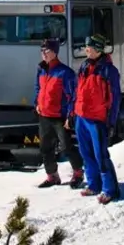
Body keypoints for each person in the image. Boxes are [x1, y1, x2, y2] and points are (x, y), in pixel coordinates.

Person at [73, 34, 124, 204]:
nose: (85, 49)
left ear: (97, 49)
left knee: (100, 154)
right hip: (82, 117)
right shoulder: (84, 66)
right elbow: (78, 92)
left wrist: (111, 122)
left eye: (89, 47)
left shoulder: (109, 71)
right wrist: (73, 113)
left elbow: (115, 98)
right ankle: (94, 184)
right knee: (86, 153)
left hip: (98, 120)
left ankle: (110, 189)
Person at [34, 39, 83, 188]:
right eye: (42, 50)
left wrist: (70, 115)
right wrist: (36, 103)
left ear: (55, 52)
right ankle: (52, 176)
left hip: (59, 117)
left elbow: (72, 96)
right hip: (44, 115)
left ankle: (78, 173)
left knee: (66, 147)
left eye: (47, 50)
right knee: (45, 147)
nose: (44, 53)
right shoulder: (41, 69)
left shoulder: (64, 72)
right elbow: (38, 88)